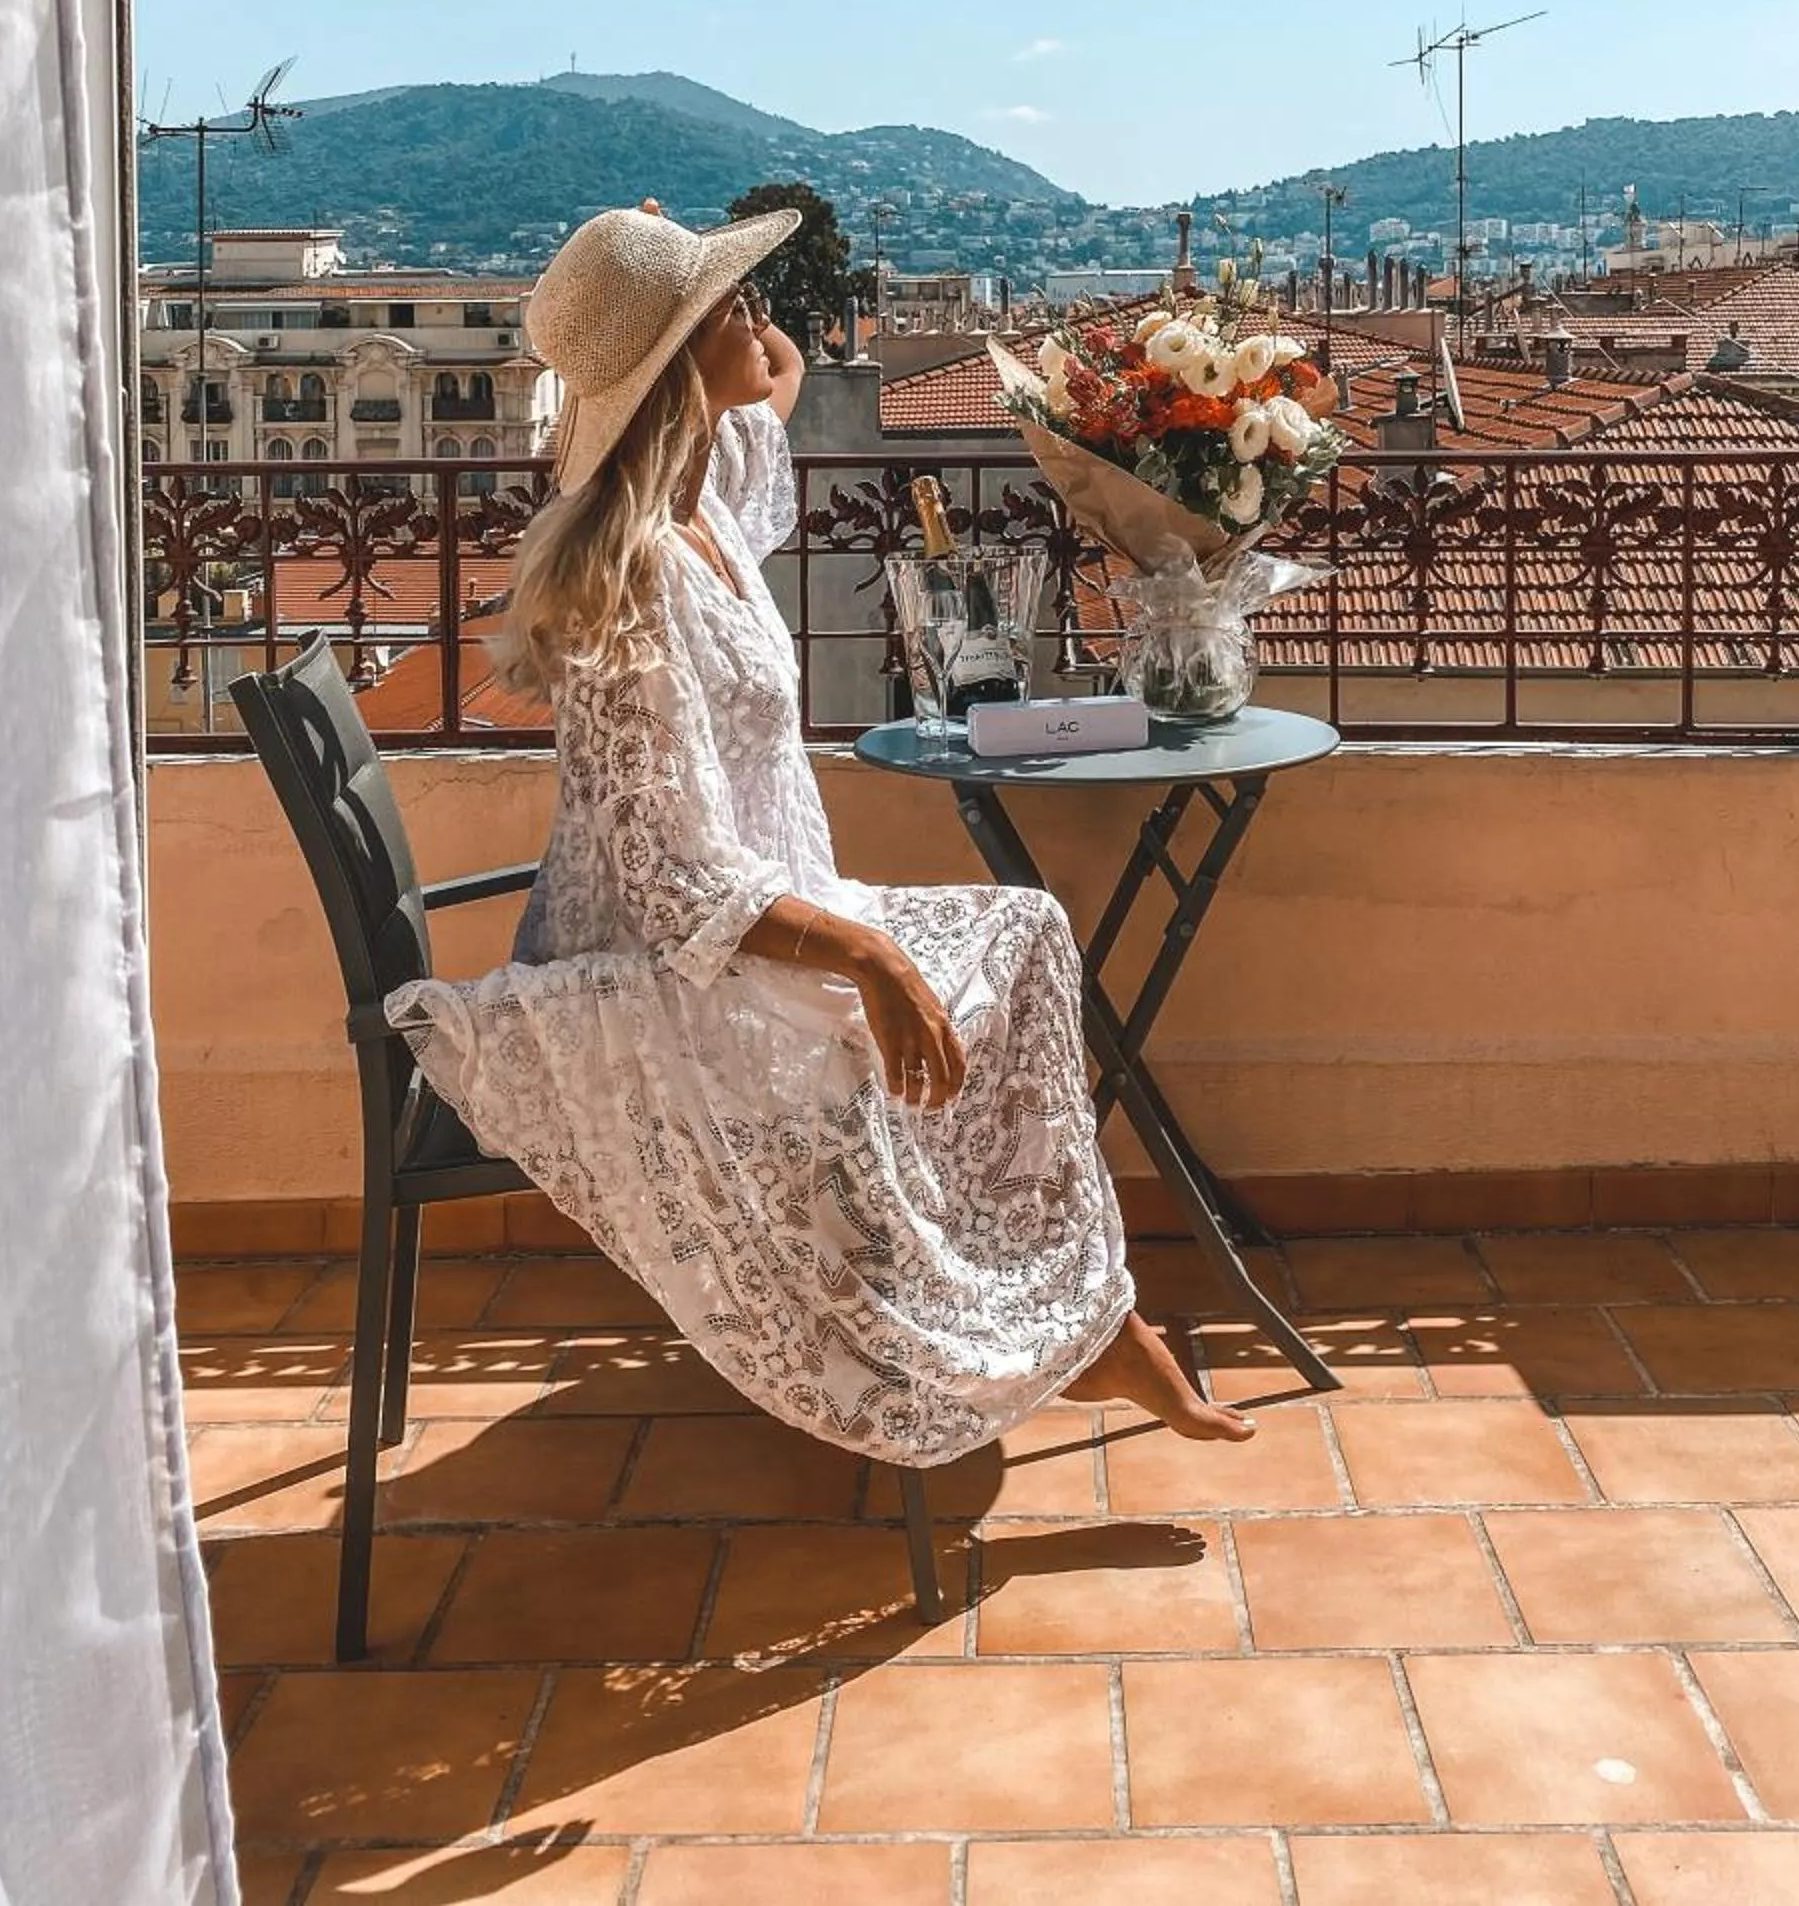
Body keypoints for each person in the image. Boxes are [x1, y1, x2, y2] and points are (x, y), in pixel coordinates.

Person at [385, 202, 1251, 1465]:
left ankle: (1068, 1319)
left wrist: (736, 328)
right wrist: (869, 958)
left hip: (749, 919)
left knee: (1022, 931)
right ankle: (1002, 1338)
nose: (756, 318)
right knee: (879, 1031)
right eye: (726, 307)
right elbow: (676, 886)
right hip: (658, 973)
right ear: (679, 371)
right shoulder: (631, 583)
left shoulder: (703, 510)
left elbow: (770, 391)